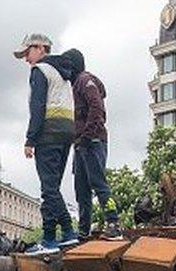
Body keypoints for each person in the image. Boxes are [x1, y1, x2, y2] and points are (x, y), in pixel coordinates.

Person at [13, 33, 79, 253]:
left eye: (27, 52)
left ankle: (68, 231)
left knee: (48, 189)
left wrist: (30, 139)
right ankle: (49, 237)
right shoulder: (63, 73)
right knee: (53, 188)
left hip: (48, 133)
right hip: (66, 131)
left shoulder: (40, 71)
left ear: (41, 48)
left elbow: (38, 107)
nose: (26, 59)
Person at [61, 48, 122, 239]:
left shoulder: (85, 81)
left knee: (98, 183)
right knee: (81, 189)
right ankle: (83, 230)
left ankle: (113, 222)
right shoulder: (75, 85)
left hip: (92, 141)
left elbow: (96, 106)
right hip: (81, 144)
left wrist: (88, 135)